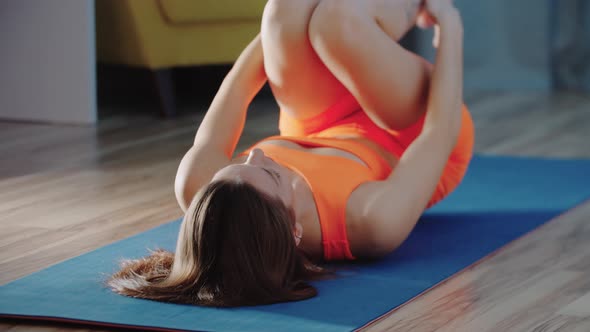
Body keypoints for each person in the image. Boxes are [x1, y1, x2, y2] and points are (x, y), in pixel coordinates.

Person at [108, 0, 473, 307]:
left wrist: (281, 29)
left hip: (318, 120)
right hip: (411, 130)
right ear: (294, 230)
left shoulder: (199, 187)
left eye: (238, 164)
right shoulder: (370, 222)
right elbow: (439, 134)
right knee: (336, 23)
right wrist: (450, 28)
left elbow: (238, 86)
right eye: (271, 175)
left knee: (284, 7)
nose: (259, 156)